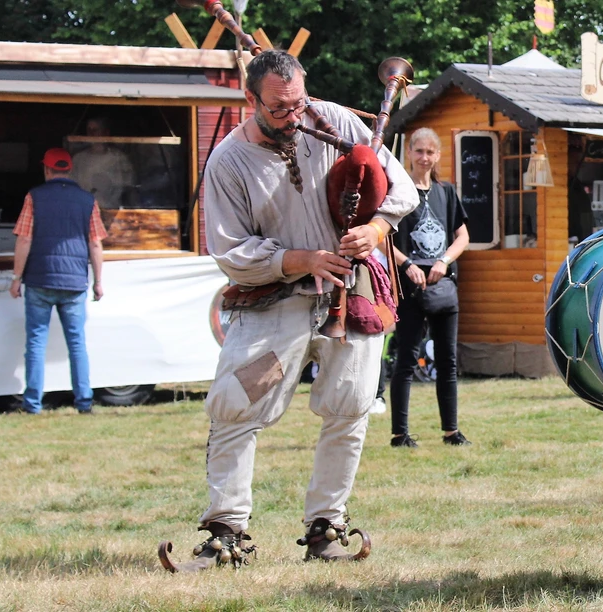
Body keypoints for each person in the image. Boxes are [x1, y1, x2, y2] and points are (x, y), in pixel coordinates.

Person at [168, 50, 418, 572]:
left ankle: (327, 526)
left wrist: (375, 230)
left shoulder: (339, 121)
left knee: (349, 409)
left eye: (299, 102)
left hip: (351, 294)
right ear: (250, 99)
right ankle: (225, 531)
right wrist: (297, 258)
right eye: (280, 108)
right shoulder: (228, 161)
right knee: (235, 406)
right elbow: (230, 250)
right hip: (274, 300)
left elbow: (401, 188)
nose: (293, 115)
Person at [8, 148, 106, 415]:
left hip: (39, 279)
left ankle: (33, 404)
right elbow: (95, 243)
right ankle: (84, 402)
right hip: (74, 282)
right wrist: (98, 281)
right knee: (77, 343)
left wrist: (16, 278)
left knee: (36, 343)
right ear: (69, 170)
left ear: (46, 170)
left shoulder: (34, 197)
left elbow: (24, 239)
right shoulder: (87, 201)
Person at [389, 128, 470, 448]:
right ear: (409, 153)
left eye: (430, 152)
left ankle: (451, 430)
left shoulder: (446, 192)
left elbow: (463, 236)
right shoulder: (396, 191)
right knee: (406, 360)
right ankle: (400, 434)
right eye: (418, 151)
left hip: (443, 286)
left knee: (448, 361)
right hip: (410, 287)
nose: (424, 157)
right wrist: (407, 264)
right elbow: (382, 238)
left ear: (437, 156)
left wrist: (444, 261)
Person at [71, 117, 137, 210]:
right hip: (84, 210)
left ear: (106, 133)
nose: (91, 134)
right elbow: (72, 187)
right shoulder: (78, 159)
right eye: (89, 130)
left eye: (95, 130)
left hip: (111, 210)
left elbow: (128, 186)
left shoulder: (118, 158)